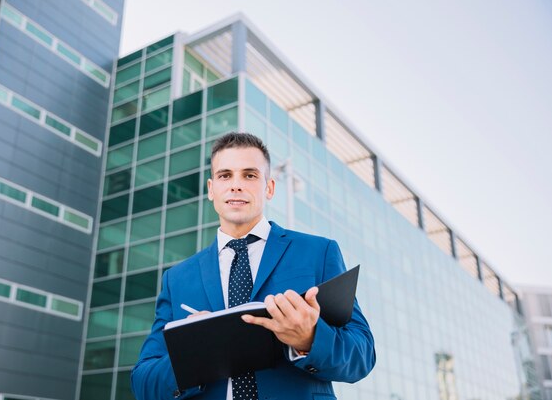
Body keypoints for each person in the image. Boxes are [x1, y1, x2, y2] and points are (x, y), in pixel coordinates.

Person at [131, 132, 375, 400]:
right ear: (211, 189)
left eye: (249, 175)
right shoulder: (177, 279)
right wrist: (194, 354)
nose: (236, 185)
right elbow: (143, 383)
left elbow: (362, 354)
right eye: (225, 175)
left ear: (269, 188)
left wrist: (310, 339)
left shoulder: (318, 252)